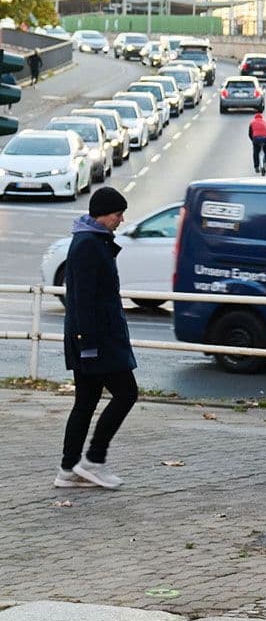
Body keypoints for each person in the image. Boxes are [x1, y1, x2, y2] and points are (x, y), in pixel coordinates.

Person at [59, 187, 137, 489]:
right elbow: (83, 299)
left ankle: (68, 469)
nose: (121, 220)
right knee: (126, 393)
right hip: (97, 341)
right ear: (103, 214)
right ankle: (93, 459)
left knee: (86, 401)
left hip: (93, 339)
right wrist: (87, 343)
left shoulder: (92, 242)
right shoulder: (89, 245)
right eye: (117, 214)